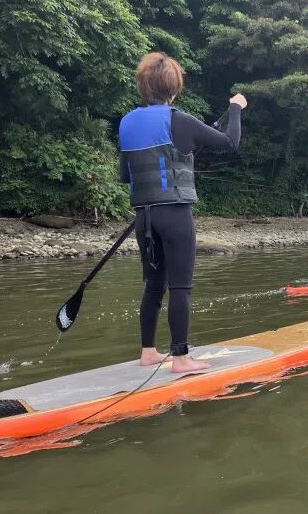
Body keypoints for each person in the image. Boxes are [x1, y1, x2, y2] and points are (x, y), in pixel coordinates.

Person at [119, 52, 246, 373]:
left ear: (144, 86)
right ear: (173, 88)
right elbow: (230, 142)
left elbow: (125, 175)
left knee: (153, 285)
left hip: (144, 218)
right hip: (174, 216)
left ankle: (148, 352)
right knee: (180, 287)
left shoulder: (127, 122)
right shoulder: (180, 120)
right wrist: (235, 107)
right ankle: (181, 358)